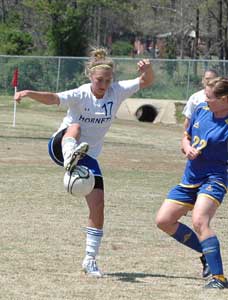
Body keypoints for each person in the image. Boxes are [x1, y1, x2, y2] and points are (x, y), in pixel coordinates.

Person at [14, 47, 154, 277]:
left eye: (108, 80)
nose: (104, 84)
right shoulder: (81, 93)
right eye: (100, 80)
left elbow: (145, 81)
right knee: (76, 127)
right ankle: (71, 157)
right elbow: (54, 99)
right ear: (90, 76)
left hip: (87, 156)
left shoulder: (116, 92)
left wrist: (147, 70)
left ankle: (90, 259)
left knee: (98, 205)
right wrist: (28, 92)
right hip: (61, 145)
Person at [156, 77, 228, 289]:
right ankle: (206, 254)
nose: (205, 100)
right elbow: (185, 137)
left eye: (209, 97)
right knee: (164, 220)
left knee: (199, 221)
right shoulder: (201, 110)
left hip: (214, 177)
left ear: (224, 99)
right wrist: (187, 148)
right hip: (190, 177)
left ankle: (219, 278)